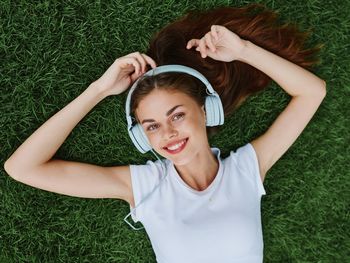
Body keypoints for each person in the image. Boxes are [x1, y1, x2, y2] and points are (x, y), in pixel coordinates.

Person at [4, 3, 326, 263]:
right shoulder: (145, 186)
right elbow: (21, 168)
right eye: (152, 126)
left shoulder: (247, 170)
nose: (168, 133)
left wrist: (242, 50)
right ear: (141, 136)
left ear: (206, 110)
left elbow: (313, 92)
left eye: (178, 115)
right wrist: (99, 89)